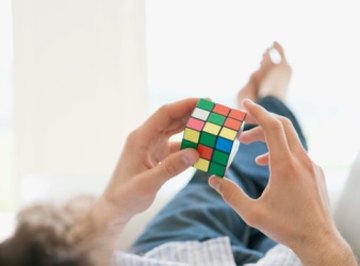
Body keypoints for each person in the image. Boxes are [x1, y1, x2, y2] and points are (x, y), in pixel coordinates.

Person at [0, 43, 357, 266]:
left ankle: (260, 106)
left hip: (165, 251)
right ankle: (270, 100)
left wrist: (108, 211)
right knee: (267, 174)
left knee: (214, 173)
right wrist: (321, 241)